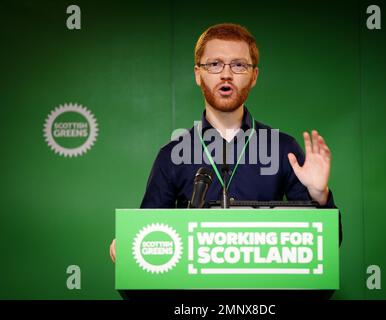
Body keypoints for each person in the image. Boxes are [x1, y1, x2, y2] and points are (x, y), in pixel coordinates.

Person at [110, 23, 342, 300]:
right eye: (215, 64)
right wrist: (128, 249)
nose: (226, 74)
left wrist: (320, 196)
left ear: (254, 76)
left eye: (239, 65)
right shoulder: (172, 155)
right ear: (198, 74)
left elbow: (326, 247)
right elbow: (148, 239)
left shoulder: (284, 149)